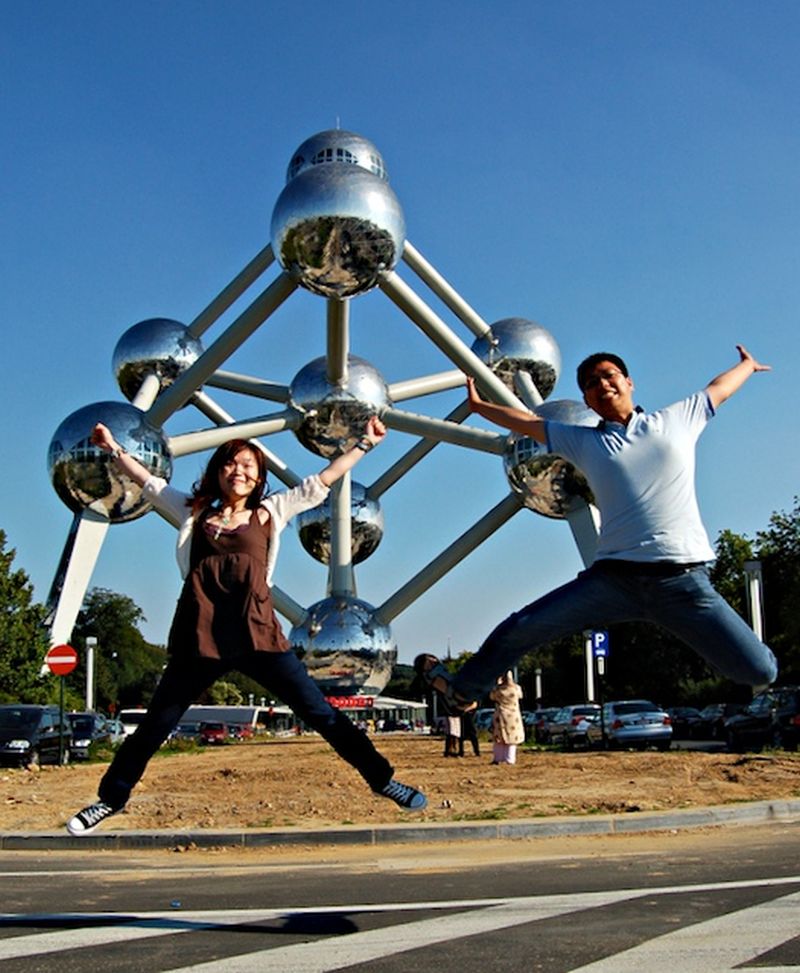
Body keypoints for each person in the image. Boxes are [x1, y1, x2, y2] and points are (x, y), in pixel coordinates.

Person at [67, 418, 426, 835]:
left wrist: (365, 443)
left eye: (248, 466)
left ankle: (383, 780)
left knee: (319, 712)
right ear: (218, 472)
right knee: (155, 725)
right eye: (231, 464)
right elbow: (149, 483)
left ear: (258, 477)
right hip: (200, 633)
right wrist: (112, 448)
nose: (239, 471)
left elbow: (324, 479)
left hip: (257, 632)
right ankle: (110, 800)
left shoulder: (271, 512)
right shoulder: (193, 511)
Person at [416, 345, 778, 710]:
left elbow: (719, 388)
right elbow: (525, 422)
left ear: (628, 382)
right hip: (614, 581)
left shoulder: (676, 420)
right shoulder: (583, 440)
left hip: (682, 581)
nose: (602, 384)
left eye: (609, 376)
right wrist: (479, 407)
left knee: (760, 670)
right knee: (519, 628)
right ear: (586, 401)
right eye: (591, 383)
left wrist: (747, 366)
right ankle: (462, 692)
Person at [489, 671, 524, 764]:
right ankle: (510, 759)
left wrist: (498, 683)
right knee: (512, 738)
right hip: (513, 716)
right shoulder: (516, 688)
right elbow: (520, 696)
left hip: (500, 715)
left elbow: (492, 697)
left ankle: (498, 758)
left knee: (499, 738)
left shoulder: (497, 689)